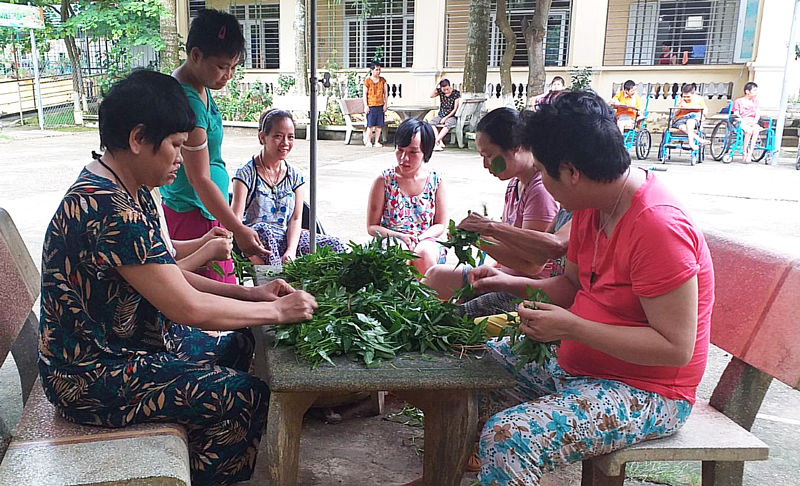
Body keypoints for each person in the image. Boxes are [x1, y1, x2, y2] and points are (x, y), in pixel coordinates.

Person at [38, 70, 318, 486]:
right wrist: (274, 310)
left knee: (240, 343)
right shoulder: (111, 209)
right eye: (173, 146)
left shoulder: (129, 188)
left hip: (131, 345)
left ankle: (201, 458)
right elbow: (185, 306)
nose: (180, 159)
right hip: (89, 375)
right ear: (137, 139)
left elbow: (171, 276)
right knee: (243, 395)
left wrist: (253, 295)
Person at [468, 90, 714, 485]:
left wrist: (572, 328)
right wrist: (511, 284)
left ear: (571, 171)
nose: (544, 183)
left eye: (545, 172)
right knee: (472, 363)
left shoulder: (658, 227)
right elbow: (570, 286)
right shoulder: (592, 206)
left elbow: (676, 348)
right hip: (578, 363)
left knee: (509, 437)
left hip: (648, 392)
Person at [160, 9, 268, 284]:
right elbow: (199, 178)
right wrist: (238, 228)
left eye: (233, 67)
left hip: (208, 211)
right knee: (211, 296)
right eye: (222, 66)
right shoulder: (188, 102)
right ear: (195, 55)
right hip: (194, 212)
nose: (228, 75)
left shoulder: (200, 84)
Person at [422, 107, 560, 301]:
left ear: (516, 147)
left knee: (452, 313)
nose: (486, 165)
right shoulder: (515, 183)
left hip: (526, 290)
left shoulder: (540, 191)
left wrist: (478, 239)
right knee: (435, 276)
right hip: (504, 276)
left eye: (489, 156)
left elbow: (531, 264)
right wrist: (491, 265)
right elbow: (511, 242)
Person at [231, 109, 346, 266]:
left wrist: (291, 251)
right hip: (257, 242)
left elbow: (296, 218)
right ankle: (279, 281)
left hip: (288, 238)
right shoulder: (246, 172)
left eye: (290, 137)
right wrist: (252, 256)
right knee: (264, 230)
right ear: (262, 137)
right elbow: (236, 220)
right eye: (278, 136)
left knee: (335, 245)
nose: (285, 143)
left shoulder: (295, 175)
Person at [367, 118, 448, 275]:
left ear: (426, 152)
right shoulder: (384, 180)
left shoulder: (437, 180)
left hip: (426, 239)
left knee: (424, 253)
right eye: (400, 150)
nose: (404, 158)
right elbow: (372, 227)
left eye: (413, 152)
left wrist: (420, 238)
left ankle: (430, 298)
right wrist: (400, 236)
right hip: (392, 238)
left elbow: (440, 224)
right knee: (398, 253)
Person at [152, 186, 235, 272]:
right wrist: (208, 252)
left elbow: (167, 249)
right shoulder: (139, 215)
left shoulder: (151, 195)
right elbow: (162, 274)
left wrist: (203, 241)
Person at [673, 83, 710, 153]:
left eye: (688, 97)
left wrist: (697, 108)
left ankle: (691, 142)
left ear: (693, 94)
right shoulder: (681, 100)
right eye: (684, 96)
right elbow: (674, 113)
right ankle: (699, 140)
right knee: (682, 127)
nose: (686, 98)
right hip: (681, 119)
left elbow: (705, 113)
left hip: (693, 119)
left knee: (690, 122)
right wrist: (680, 107)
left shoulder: (699, 99)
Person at [732, 82, 761, 163]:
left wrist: (755, 121)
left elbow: (757, 113)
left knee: (756, 130)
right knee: (748, 131)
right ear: (747, 91)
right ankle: (744, 151)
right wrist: (744, 121)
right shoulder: (738, 101)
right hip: (741, 121)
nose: (756, 93)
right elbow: (736, 114)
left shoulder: (755, 101)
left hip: (752, 121)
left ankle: (750, 153)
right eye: (754, 91)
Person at [429, 78, 461, 151]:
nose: (446, 91)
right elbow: (431, 95)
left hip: (451, 115)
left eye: (447, 89)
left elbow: (455, 109)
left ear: (449, 86)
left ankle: (436, 141)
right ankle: (439, 141)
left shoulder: (455, 93)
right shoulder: (440, 92)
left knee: (448, 124)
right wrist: (437, 84)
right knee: (432, 123)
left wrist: (446, 118)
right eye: (444, 90)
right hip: (441, 114)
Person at [363, 61, 388, 147]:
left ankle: (377, 141)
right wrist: (366, 105)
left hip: (380, 105)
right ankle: (369, 141)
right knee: (370, 125)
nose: (378, 72)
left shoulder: (382, 81)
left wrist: (385, 104)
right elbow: (364, 94)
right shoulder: (367, 81)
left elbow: (385, 93)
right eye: (376, 70)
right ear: (372, 70)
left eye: (379, 70)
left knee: (379, 125)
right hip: (371, 105)